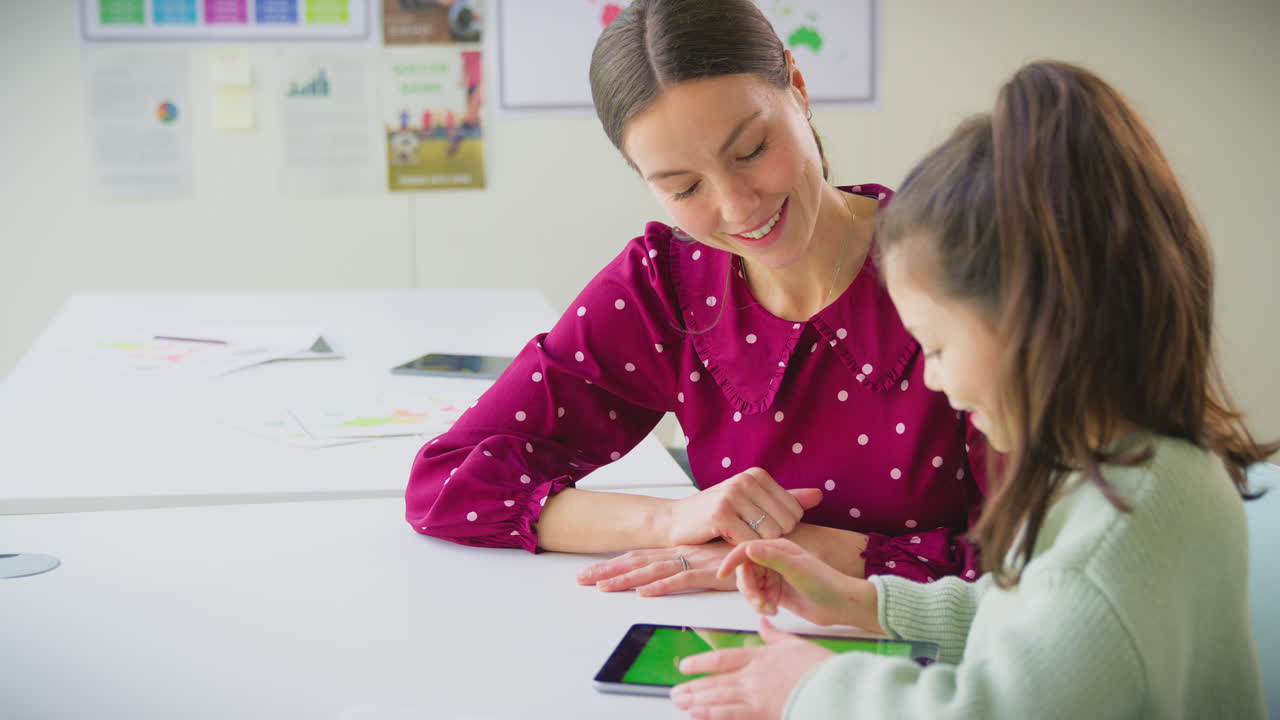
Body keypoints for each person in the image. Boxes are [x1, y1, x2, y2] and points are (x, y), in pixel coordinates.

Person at [670, 60, 1273, 720]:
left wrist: (809, 687)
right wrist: (864, 601)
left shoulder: (1098, 548)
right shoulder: (1161, 470)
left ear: (1036, 322)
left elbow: (989, 705)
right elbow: (1033, 618)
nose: (929, 377)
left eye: (936, 345)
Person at [405, 0, 988, 594]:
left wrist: (821, 553)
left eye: (753, 150)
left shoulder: (963, 268)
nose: (738, 206)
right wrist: (673, 519)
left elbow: (1051, 560)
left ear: (800, 90)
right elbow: (449, 483)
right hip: (751, 646)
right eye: (684, 186)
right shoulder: (666, 284)